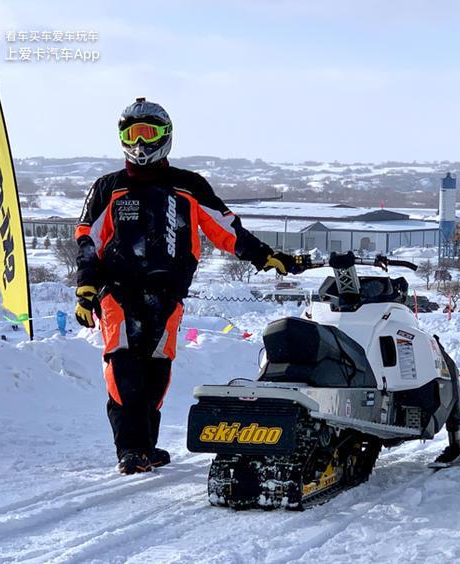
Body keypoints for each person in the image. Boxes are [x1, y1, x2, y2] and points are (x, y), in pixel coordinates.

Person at [74, 97, 299, 474]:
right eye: (133, 133)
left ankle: (146, 446)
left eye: (149, 133)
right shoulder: (108, 187)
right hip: (117, 292)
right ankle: (129, 449)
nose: (141, 142)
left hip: (167, 296)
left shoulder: (188, 186)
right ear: (122, 138)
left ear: (166, 136)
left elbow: (224, 228)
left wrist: (263, 255)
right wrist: (86, 287)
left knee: (157, 372)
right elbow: (87, 240)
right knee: (123, 368)